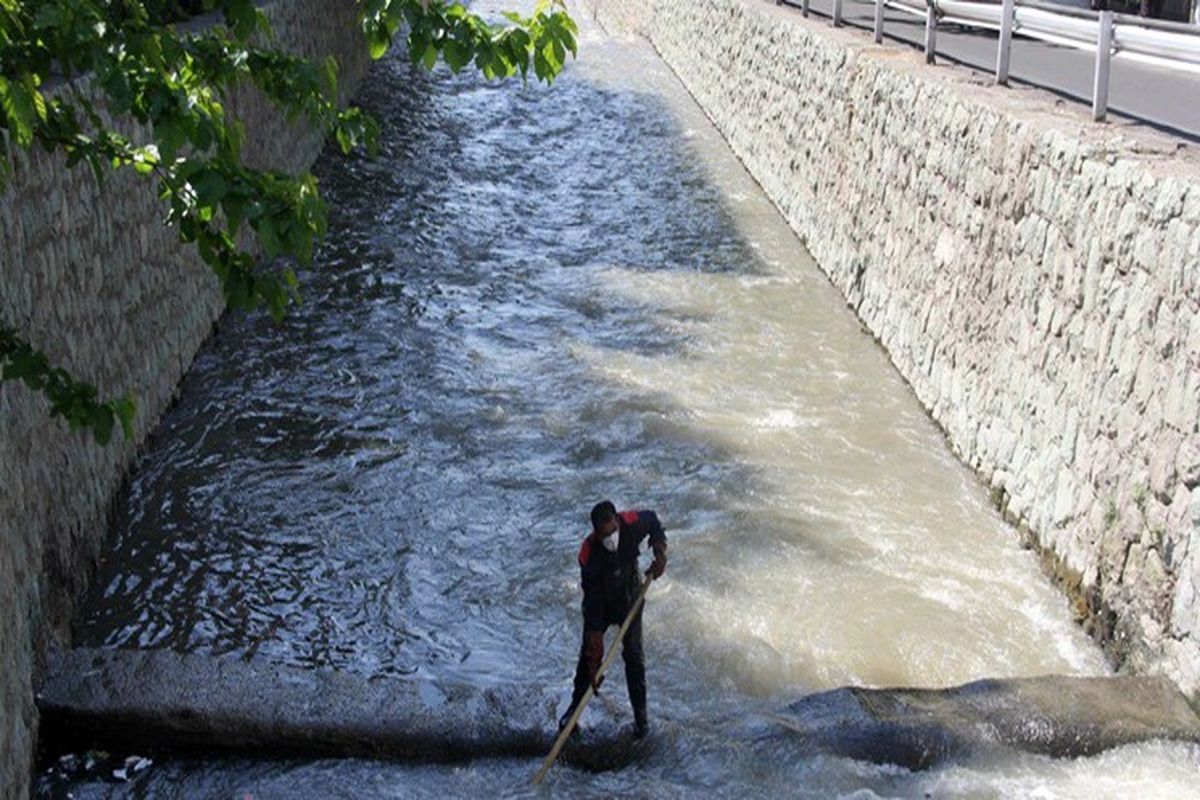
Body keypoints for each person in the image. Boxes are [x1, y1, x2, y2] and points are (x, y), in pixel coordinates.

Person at [559, 500, 667, 739]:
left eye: (613, 532)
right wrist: (595, 653)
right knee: (587, 661)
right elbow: (593, 609)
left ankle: (641, 723)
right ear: (596, 534)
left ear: (617, 522)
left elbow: (654, 520)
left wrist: (659, 552)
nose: (611, 538)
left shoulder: (629, 524)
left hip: (630, 598)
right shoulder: (589, 556)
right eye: (605, 535)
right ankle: (572, 717)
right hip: (602, 604)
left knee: (634, 657)